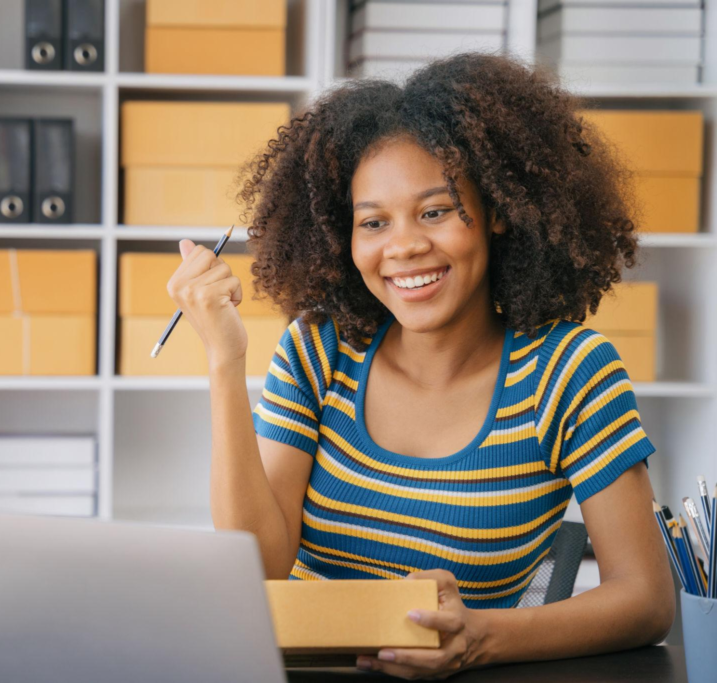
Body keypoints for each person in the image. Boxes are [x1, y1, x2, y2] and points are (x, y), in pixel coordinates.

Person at [165, 53, 675, 680]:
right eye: (373, 222)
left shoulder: (571, 372)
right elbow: (258, 564)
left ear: (498, 210)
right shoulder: (320, 351)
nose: (403, 246)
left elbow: (647, 599)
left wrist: (479, 637)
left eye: (434, 211)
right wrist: (224, 358)